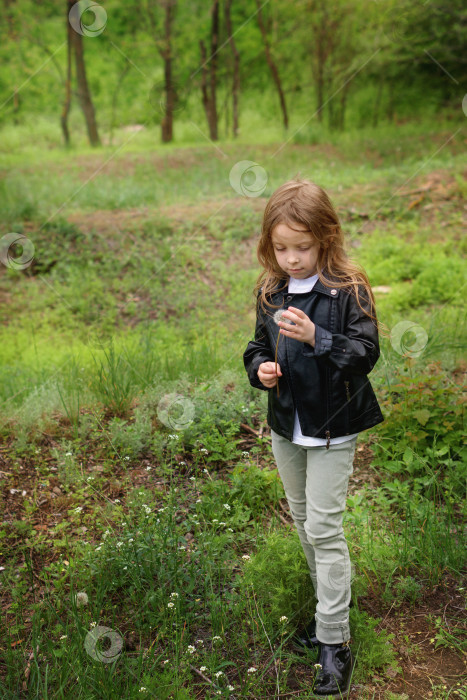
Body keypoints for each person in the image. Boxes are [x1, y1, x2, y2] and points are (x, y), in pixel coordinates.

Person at [243, 178, 385, 698]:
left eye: (302, 247)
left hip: (331, 428)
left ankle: (334, 641)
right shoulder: (270, 290)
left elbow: (365, 356)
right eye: (281, 248)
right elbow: (255, 346)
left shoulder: (347, 290)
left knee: (325, 529)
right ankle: (332, 608)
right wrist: (261, 368)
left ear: (326, 237)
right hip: (287, 427)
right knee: (304, 523)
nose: (292, 258)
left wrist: (317, 337)